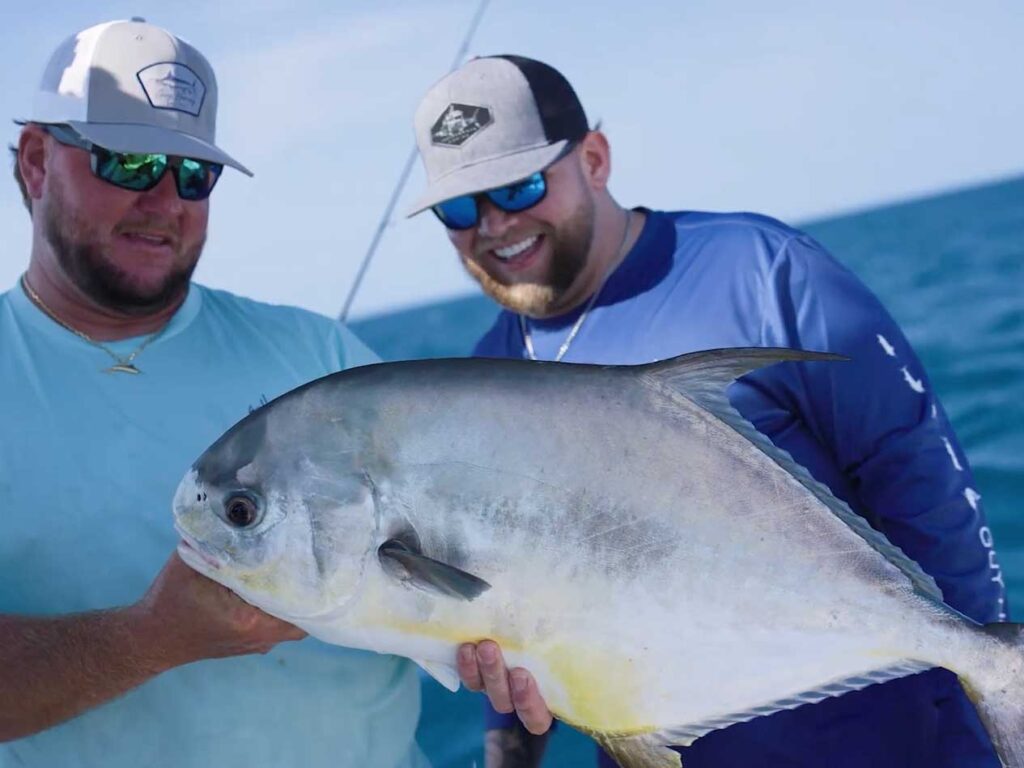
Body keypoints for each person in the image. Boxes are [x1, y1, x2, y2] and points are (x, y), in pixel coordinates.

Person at [405, 55, 1007, 767]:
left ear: (594, 159)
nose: (495, 224)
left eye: (520, 184)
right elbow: (509, 607)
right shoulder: (480, 383)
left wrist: (985, 695)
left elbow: (928, 494)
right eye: (460, 207)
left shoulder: (764, 273)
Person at [0, 19, 427, 767]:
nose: (165, 200)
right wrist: (148, 638)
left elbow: (461, 559)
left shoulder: (318, 352)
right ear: (37, 161)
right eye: (128, 162)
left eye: (193, 173)